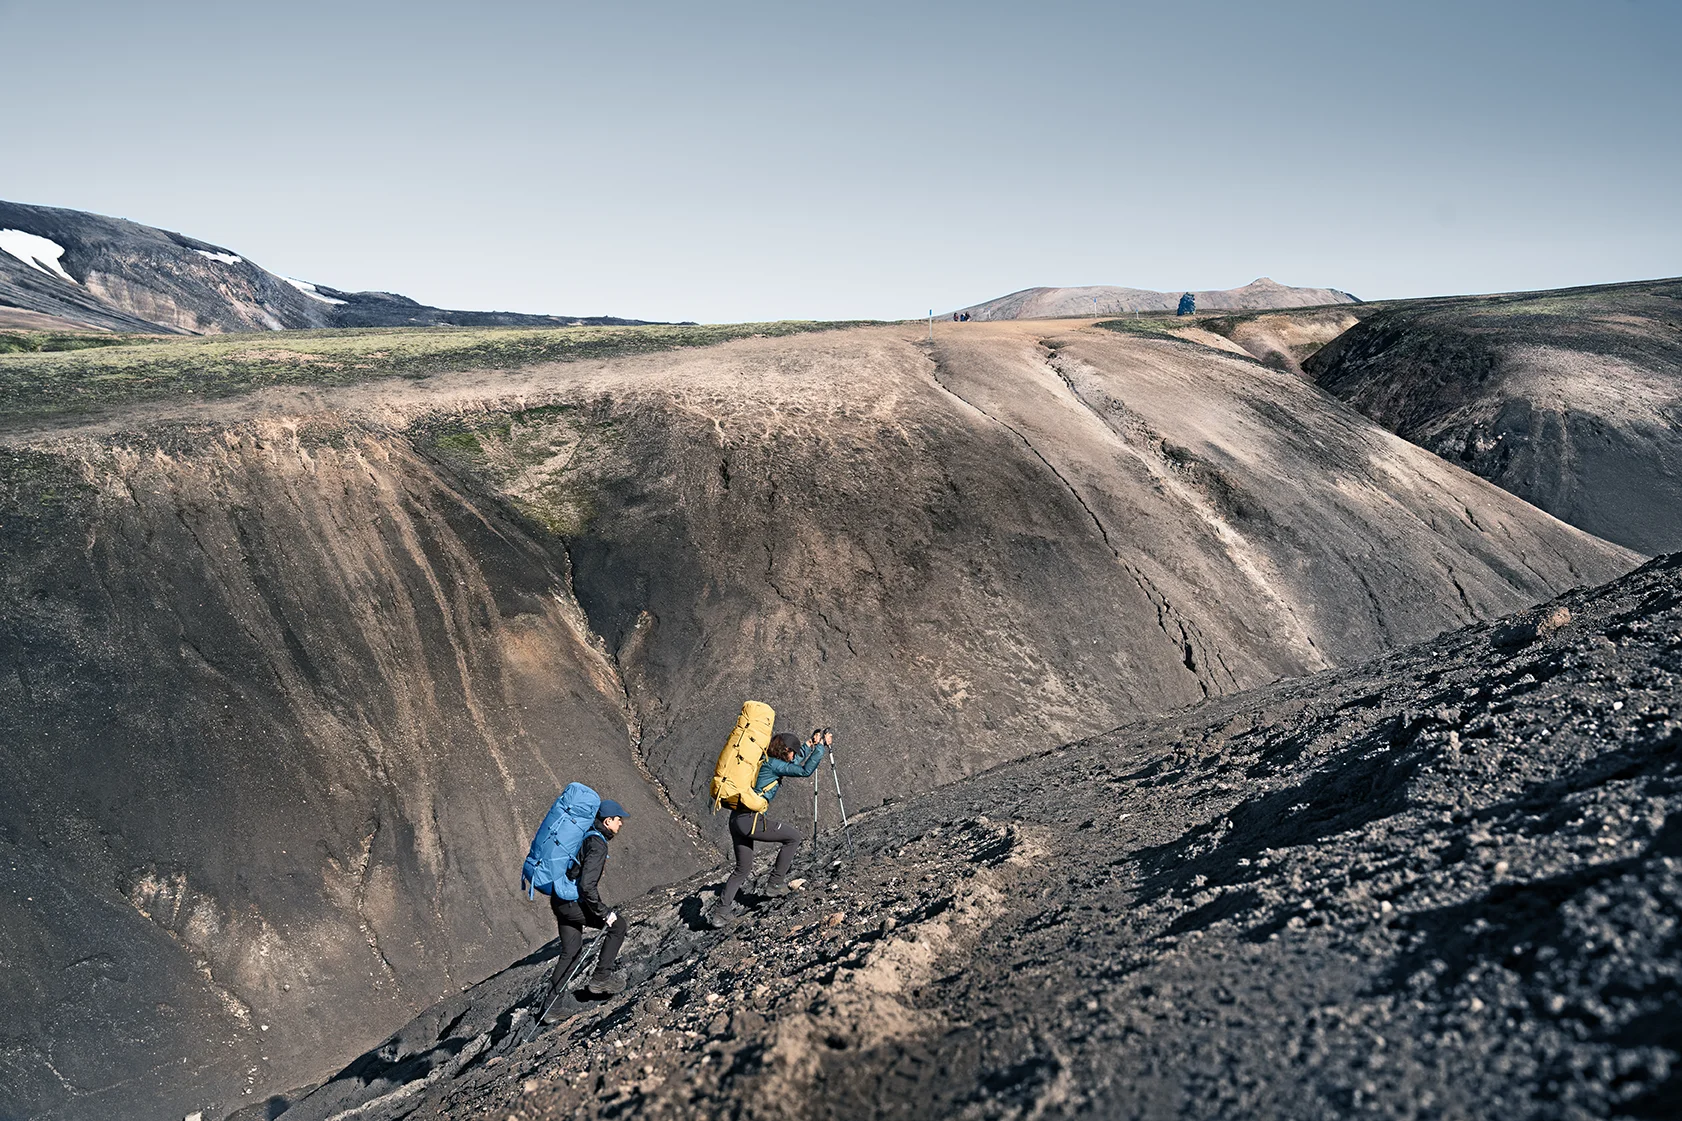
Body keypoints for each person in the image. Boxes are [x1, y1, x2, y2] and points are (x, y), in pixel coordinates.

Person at [706, 731, 827, 928]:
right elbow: (803, 771)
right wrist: (820, 748)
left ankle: (721, 913)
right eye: (793, 752)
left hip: (736, 819)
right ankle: (775, 884)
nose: (794, 756)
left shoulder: (765, 760)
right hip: (750, 821)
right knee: (793, 837)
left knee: (742, 869)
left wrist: (810, 744)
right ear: (785, 750)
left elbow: (792, 764)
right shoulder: (774, 764)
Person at [540, 798, 631, 1016]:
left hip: (560, 899)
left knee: (571, 952)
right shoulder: (597, 844)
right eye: (619, 819)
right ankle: (601, 978)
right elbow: (586, 886)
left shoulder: (584, 835)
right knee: (618, 926)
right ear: (608, 821)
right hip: (573, 903)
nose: (621, 823)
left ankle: (552, 1007)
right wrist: (604, 913)